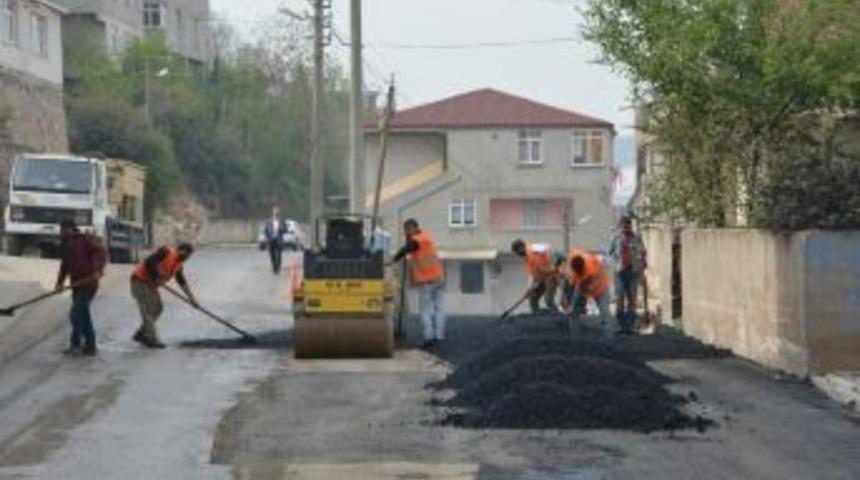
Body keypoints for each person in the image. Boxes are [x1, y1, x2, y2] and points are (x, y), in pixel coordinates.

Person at [130, 243, 198, 348]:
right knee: (147, 309)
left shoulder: (179, 265)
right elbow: (149, 262)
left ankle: (142, 333)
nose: (188, 258)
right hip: (140, 281)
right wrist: (157, 276)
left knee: (158, 308)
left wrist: (192, 299)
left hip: (151, 285)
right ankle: (151, 338)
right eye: (188, 255)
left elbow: (182, 282)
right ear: (181, 250)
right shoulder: (166, 252)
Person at [55, 219, 106, 356]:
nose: (61, 232)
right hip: (77, 285)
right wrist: (59, 283)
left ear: (70, 229)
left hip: (89, 283)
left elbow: (100, 252)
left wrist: (97, 269)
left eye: (63, 230)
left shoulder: (84, 239)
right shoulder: (65, 244)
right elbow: (64, 266)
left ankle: (76, 345)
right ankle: (90, 346)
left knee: (76, 313)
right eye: (60, 230)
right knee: (83, 314)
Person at [392, 218, 445, 349]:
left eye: (407, 230)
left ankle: (429, 338)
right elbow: (411, 248)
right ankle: (439, 336)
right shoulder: (425, 236)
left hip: (428, 281)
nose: (406, 233)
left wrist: (394, 258)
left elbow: (406, 249)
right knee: (439, 309)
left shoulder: (417, 240)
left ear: (412, 228)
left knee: (425, 310)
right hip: (438, 277)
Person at [607, 216, 647, 334]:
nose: (626, 227)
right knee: (619, 299)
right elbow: (609, 254)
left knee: (632, 300)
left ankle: (630, 326)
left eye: (628, 224)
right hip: (620, 273)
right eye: (624, 225)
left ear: (631, 225)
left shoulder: (637, 238)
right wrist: (616, 264)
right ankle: (621, 325)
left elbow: (643, 253)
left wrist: (642, 264)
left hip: (633, 272)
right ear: (620, 226)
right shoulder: (615, 238)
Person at [562, 250, 615, 339]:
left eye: (580, 271)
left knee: (605, 313)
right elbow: (571, 286)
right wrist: (570, 304)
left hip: (600, 287)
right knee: (574, 312)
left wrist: (576, 301)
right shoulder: (572, 260)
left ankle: (609, 338)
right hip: (582, 286)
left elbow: (586, 288)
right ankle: (575, 338)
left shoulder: (592, 270)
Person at [511, 239, 560, 314]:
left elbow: (548, 249)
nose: (518, 255)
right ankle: (536, 316)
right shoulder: (529, 255)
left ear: (520, 248)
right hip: (541, 279)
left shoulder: (532, 251)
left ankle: (558, 316)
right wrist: (529, 289)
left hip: (550, 277)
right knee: (533, 298)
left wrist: (552, 265)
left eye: (517, 253)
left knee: (548, 300)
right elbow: (533, 274)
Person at [264, 206, 287, 274]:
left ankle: (278, 268)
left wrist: (281, 228)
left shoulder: (281, 220)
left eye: (277, 211)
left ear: (279, 212)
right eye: (274, 211)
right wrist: (268, 237)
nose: (276, 212)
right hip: (271, 240)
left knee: (279, 255)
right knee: (272, 255)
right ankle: (274, 268)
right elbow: (266, 230)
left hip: (279, 240)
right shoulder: (269, 221)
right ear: (273, 212)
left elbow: (285, 229)